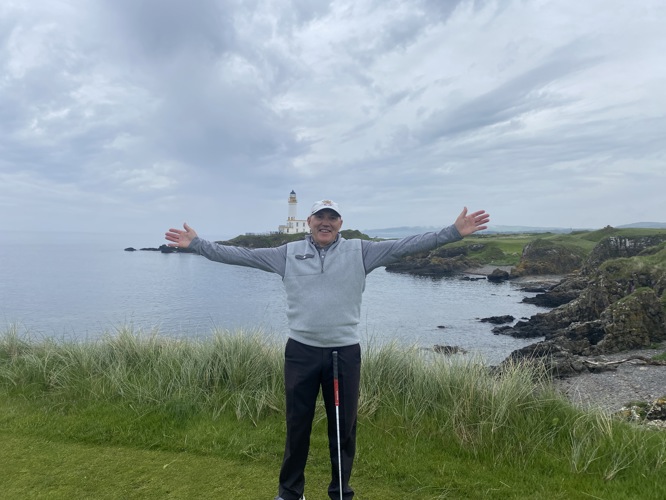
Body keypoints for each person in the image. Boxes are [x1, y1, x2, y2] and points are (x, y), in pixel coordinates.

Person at [165, 200, 489, 500]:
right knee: (297, 427)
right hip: (301, 352)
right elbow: (240, 255)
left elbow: (406, 245)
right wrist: (198, 245)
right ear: (308, 221)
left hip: (342, 354)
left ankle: (340, 494)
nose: (325, 223)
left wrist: (453, 233)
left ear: (340, 223)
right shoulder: (287, 254)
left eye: (331, 218)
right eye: (319, 217)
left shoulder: (361, 252)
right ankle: (290, 493)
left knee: (342, 430)